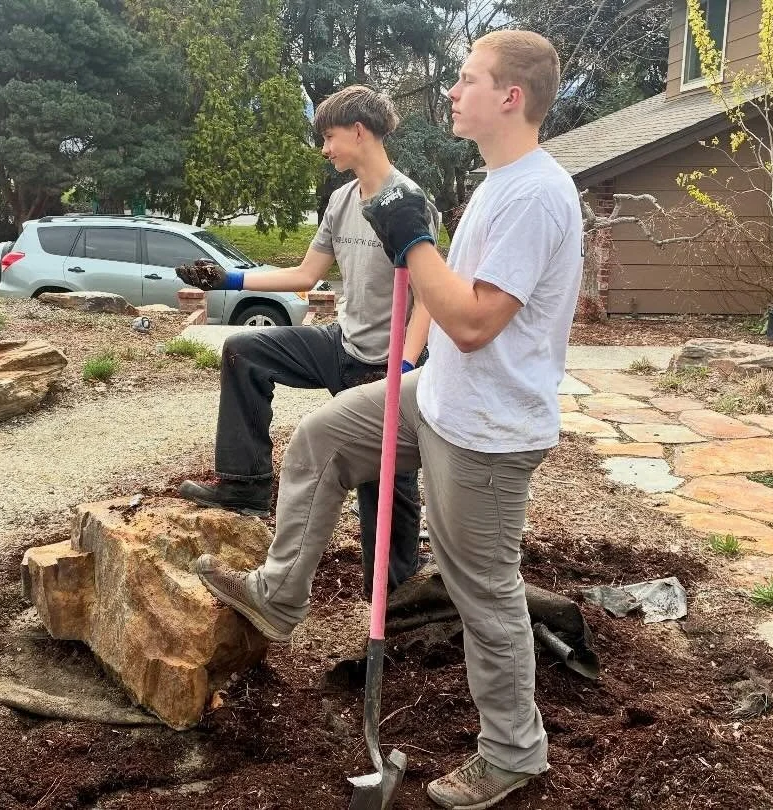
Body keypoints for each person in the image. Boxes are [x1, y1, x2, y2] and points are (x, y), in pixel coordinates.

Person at [191, 30, 581, 809]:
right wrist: (408, 350)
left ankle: (513, 752)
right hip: (439, 398)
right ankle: (279, 592)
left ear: (510, 97)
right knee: (323, 438)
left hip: (488, 433)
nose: (451, 91)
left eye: (467, 80)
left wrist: (413, 242)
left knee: (484, 592)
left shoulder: (537, 194)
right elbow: (445, 309)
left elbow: (473, 322)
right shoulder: (498, 181)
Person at [175, 84, 439, 593]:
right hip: (342, 346)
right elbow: (305, 273)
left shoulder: (408, 202)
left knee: (385, 489)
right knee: (244, 351)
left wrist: (405, 366)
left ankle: (395, 598)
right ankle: (246, 483)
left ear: (358, 131)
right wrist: (228, 279)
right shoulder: (341, 200)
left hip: (388, 364)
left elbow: (428, 295)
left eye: (330, 137)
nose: (325, 149)